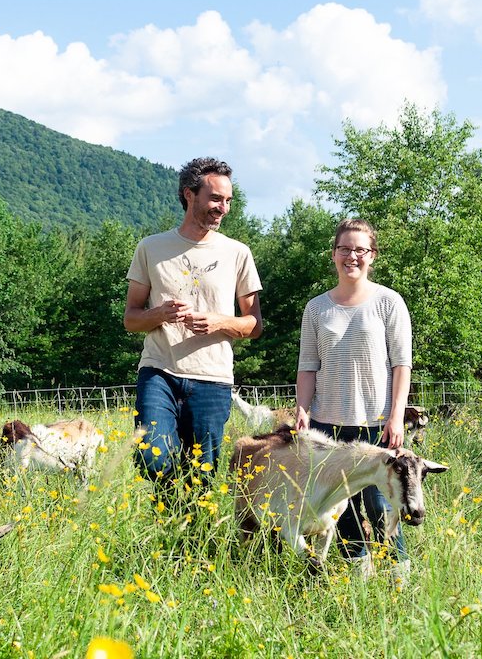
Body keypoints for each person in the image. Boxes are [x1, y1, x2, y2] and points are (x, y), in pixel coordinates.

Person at [124, 157, 262, 496]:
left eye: (228, 200)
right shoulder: (151, 248)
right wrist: (159, 314)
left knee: (201, 477)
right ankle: (171, 507)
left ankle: (184, 537)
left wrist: (219, 321)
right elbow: (130, 318)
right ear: (190, 194)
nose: (223, 208)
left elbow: (254, 324)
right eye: (216, 198)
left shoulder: (237, 253)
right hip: (159, 371)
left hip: (213, 380)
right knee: (152, 457)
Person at [294, 217, 413, 575]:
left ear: (372, 255)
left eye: (360, 250)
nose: (352, 256)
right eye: (344, 249)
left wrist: (396, 416)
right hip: (327, 425)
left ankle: (398, 571)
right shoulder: (316, 308)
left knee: (380, 502)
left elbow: (401, 365)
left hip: (376, 424)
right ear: (333, 254)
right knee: (337, 507)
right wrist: (302, 410)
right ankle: (358, 573)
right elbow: (307, 366)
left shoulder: (389, 302)